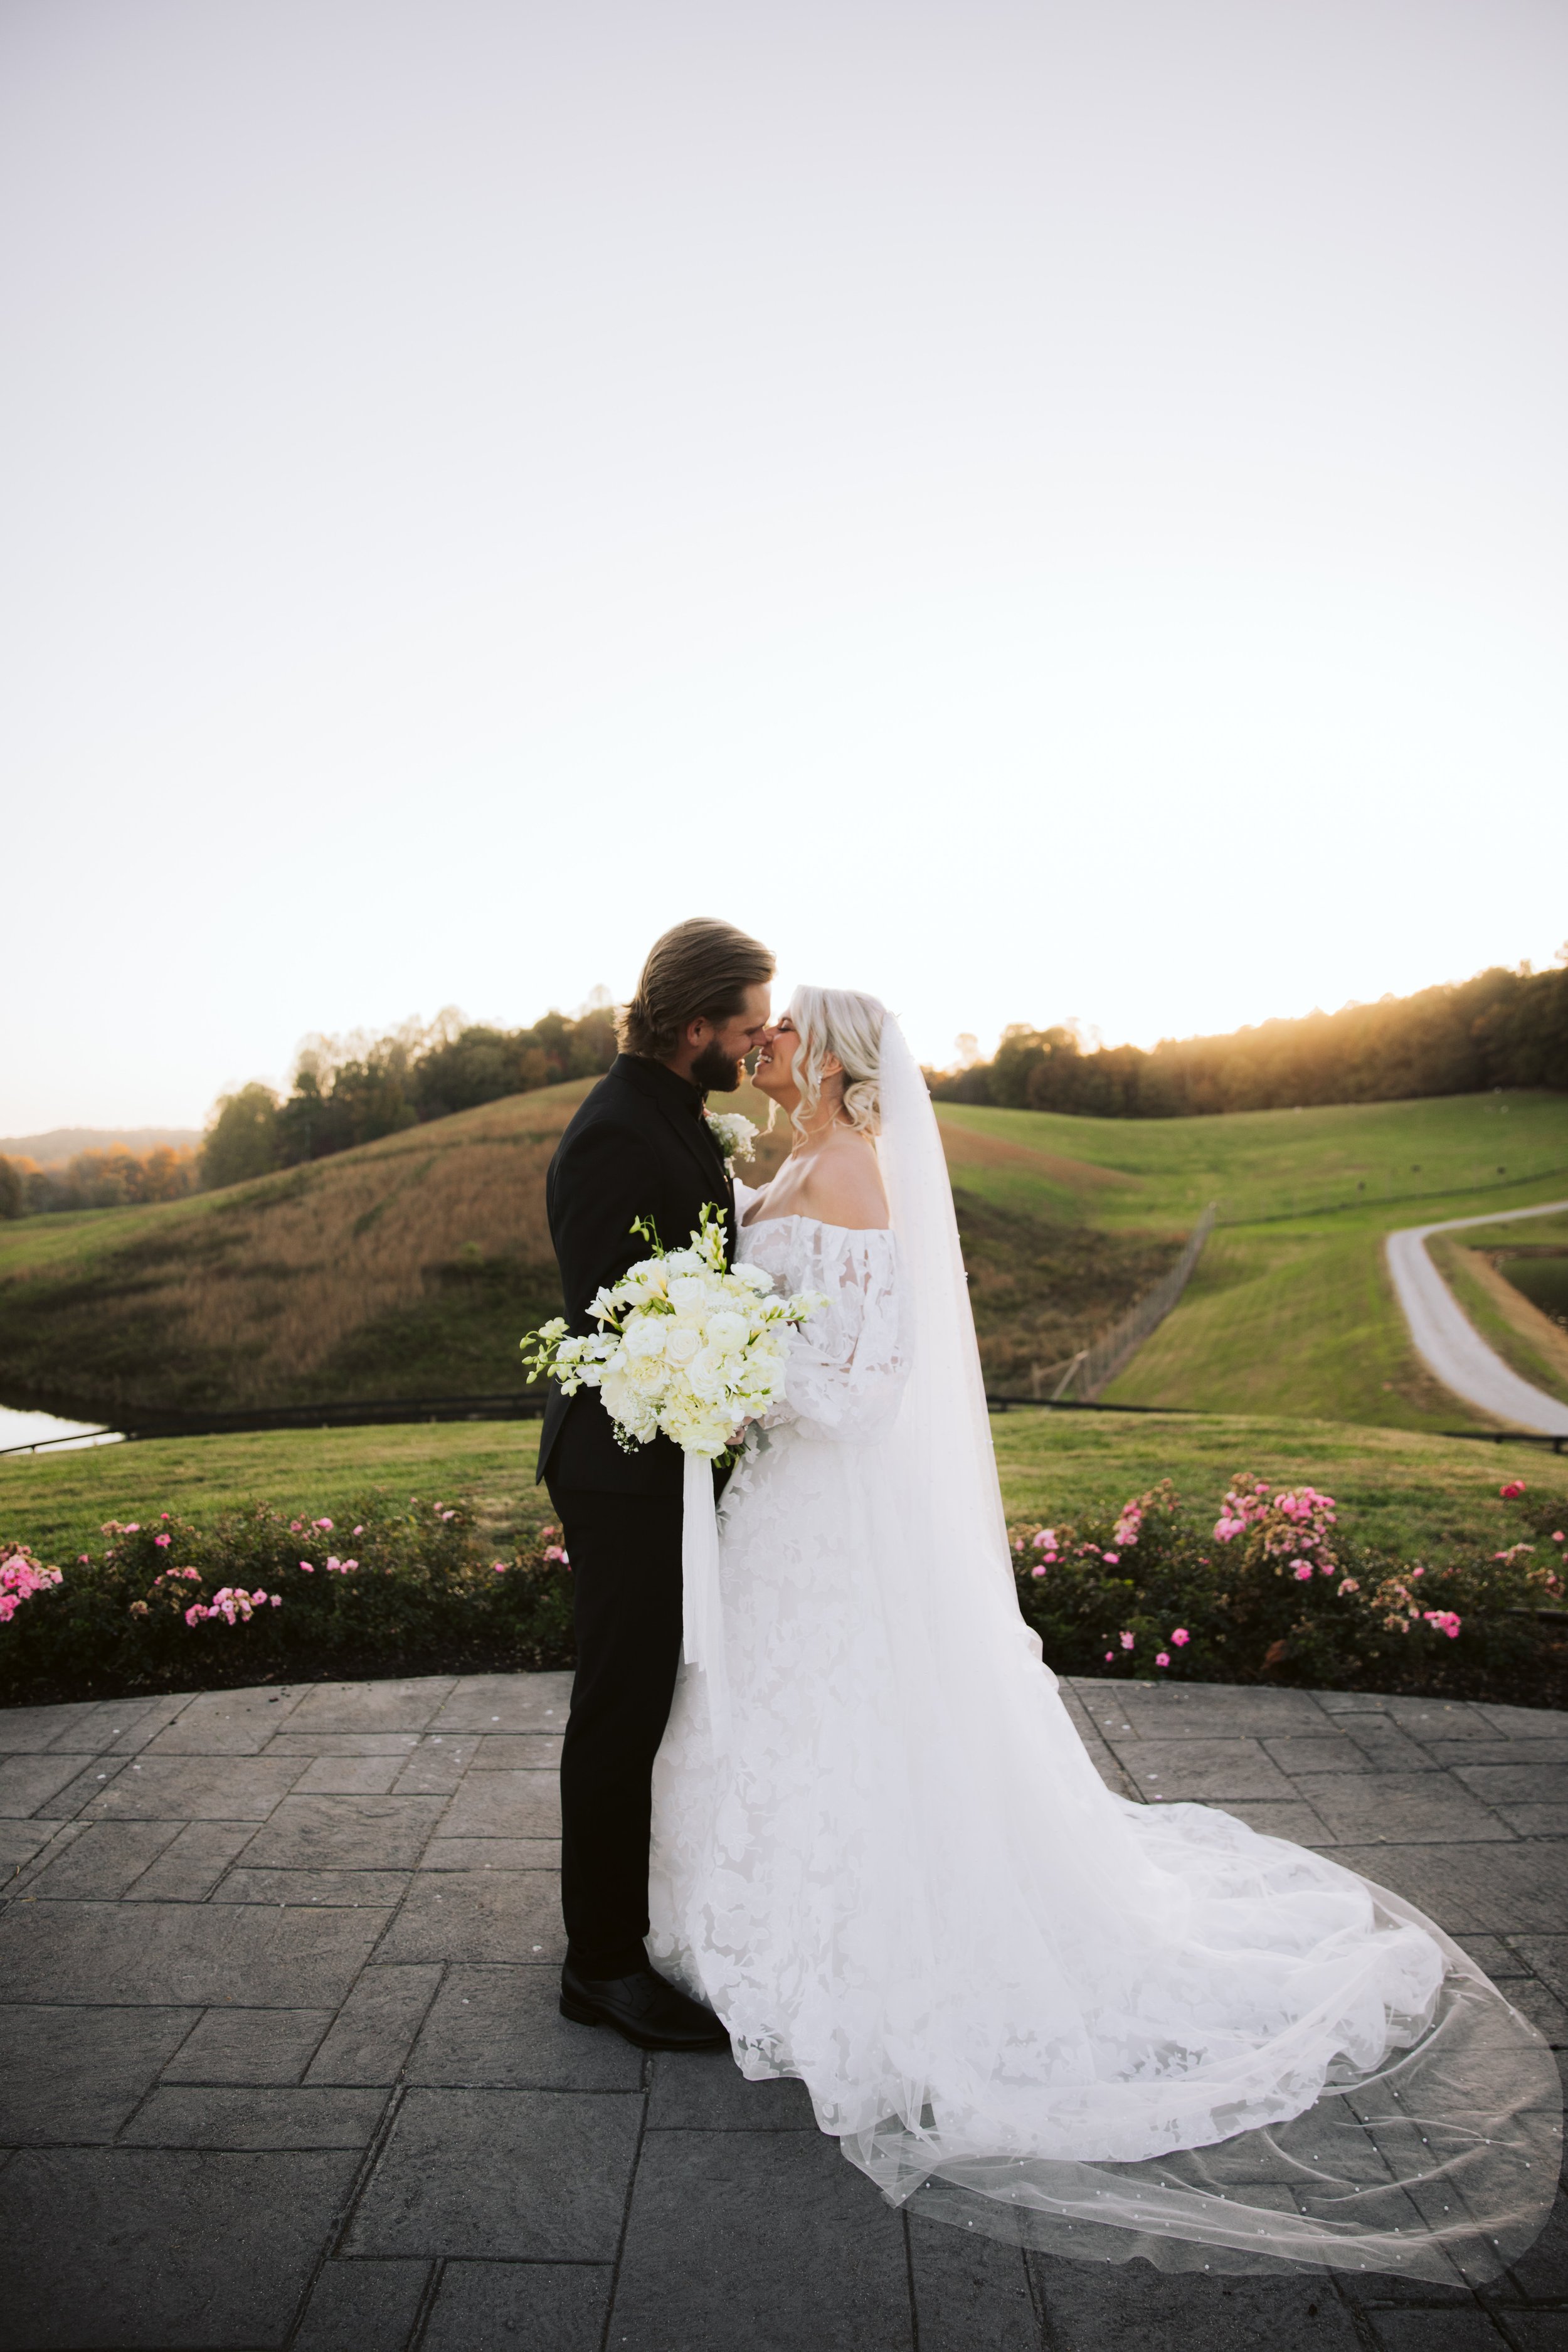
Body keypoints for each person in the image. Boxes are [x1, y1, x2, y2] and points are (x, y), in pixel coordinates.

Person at [642, 985, 1560, 2281]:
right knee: (780, 1710)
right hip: (779, 1511)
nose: (768, 1040)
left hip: (831, 1505)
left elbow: (868, 1387)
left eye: (789, 1026)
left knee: (856, 1711)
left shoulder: (853, 1173)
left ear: (838, 1058)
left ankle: (862, 1944)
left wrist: (739, 1372)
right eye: (766, 1024)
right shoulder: (787, 1154)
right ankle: (747, 1916)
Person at [539, 916, 773, 2050]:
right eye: (746, 1024)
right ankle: (599, 1965)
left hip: (669, 1457)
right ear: (696, 1028)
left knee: (644, 1700)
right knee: (617, 1706)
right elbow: (608, 1313)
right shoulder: (613, 1133)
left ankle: (636, 1930)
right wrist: (724, 1354)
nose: (758, 1039)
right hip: (619, 1466)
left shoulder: (675, 1115)